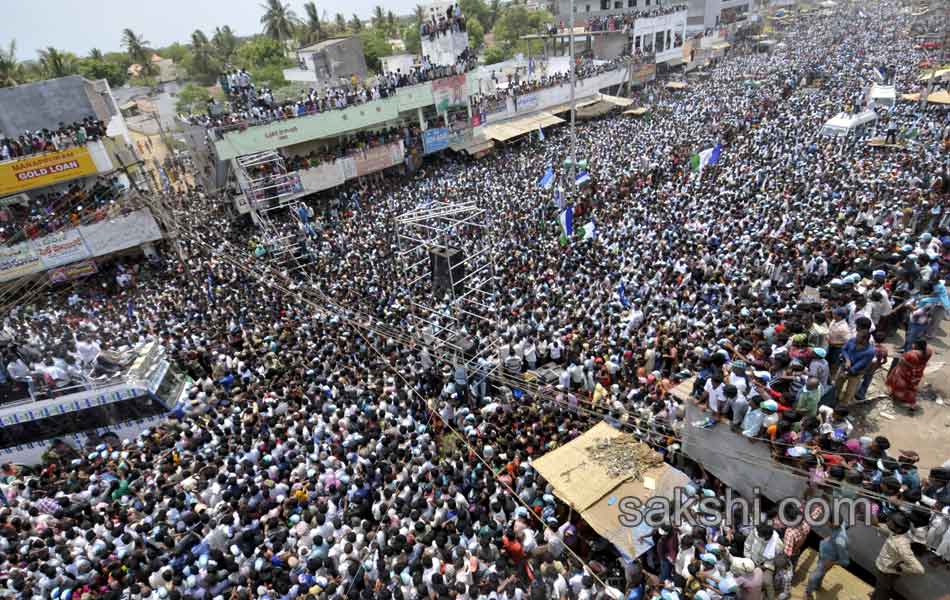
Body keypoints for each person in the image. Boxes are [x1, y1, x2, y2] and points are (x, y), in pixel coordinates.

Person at [871, 512, 924, 600]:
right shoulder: (896, 533)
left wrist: (902, 567)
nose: (888, 521)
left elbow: (919, 569)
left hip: (887, 573)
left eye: (891, 522)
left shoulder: (902, 545)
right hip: (883, 568)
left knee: (882, 594)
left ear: (898, 529)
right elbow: (886, 530)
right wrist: (876, 523)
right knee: (880, 590)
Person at [805, 520, 849, 600]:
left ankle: (808, 592)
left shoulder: (841, 540)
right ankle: (817, 585)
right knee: (822, 573)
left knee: (814, 576)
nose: (827, 523)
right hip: (823, 553)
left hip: (827, 560)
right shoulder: (841, 526)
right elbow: (846, 523)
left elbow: (845, 561)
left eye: (829, 522)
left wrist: (832, 562)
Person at [885, 339, 933, 412]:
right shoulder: (929, 351)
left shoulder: (911, 354)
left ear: (917, 345)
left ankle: (894, 394)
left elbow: (902, 362)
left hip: (905, 372)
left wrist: (902, 362)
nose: (912, 345)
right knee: (911, 387)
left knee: (898, 384)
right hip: (917, 373)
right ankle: (912, 404)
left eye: (913, 343)